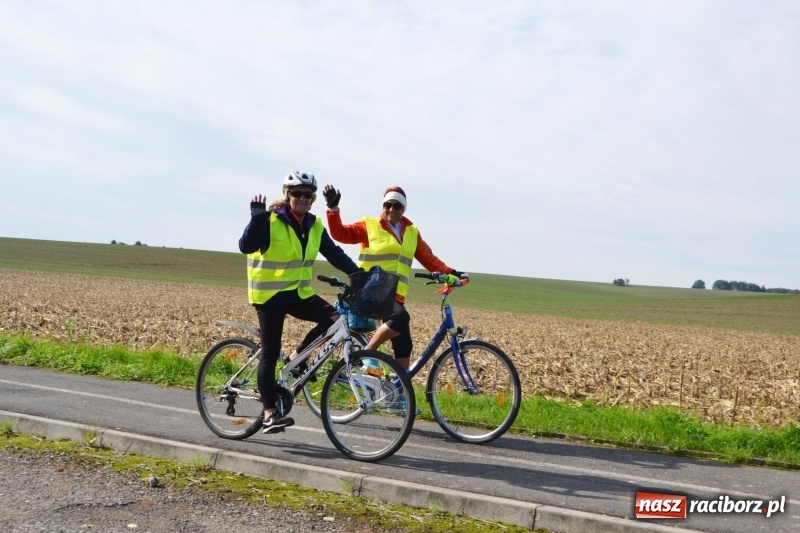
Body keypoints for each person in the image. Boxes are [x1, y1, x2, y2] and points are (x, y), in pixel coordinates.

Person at [239, 171, 361, 434]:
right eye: (297, 194)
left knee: (336, 320)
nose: (302, 199)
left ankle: (297, 357)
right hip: (269, 296)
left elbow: (334, 253)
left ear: (313, 198)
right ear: (287, 195)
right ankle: (270, 412)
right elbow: (246, 246)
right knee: (270, 352)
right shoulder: (270, 220)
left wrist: (357, 273)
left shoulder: (314, 225)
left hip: (297, 292)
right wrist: (255, 220)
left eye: (308, 195)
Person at [322, 184, 464, 371]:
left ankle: (398, 393)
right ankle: (367, 352)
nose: (391, 209)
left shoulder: (412, 232)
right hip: (371, 291)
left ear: (403, 209)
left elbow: (429, 259)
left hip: (395, 296)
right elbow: (340, 233)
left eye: (396, 205)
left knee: (404, 346)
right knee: (401, 318)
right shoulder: (370, 225)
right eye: (387, 205)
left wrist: (452, 273)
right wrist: (333, 210)